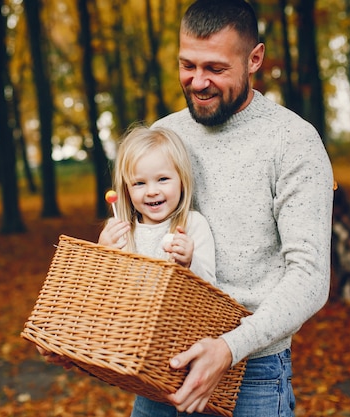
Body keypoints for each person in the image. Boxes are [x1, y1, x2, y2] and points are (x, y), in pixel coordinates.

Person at [133, 0, 334, 416]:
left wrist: (229, 348)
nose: (198, 81)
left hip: (253, 373)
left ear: (254, 58)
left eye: (216, 69)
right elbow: (142, 242)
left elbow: (310, 277)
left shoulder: (293, 141)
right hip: (161, 364)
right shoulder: (163, 134)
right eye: (187, 65)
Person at [98, 124, 216, 284]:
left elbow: (210, 290)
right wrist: (102, 254)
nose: (151, 191)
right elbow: (100, 288)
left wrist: (189, 263)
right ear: (127, 189)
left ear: (182, 181)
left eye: (162, 179)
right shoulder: (118, 230)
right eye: (139, 183)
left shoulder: (192, 225)